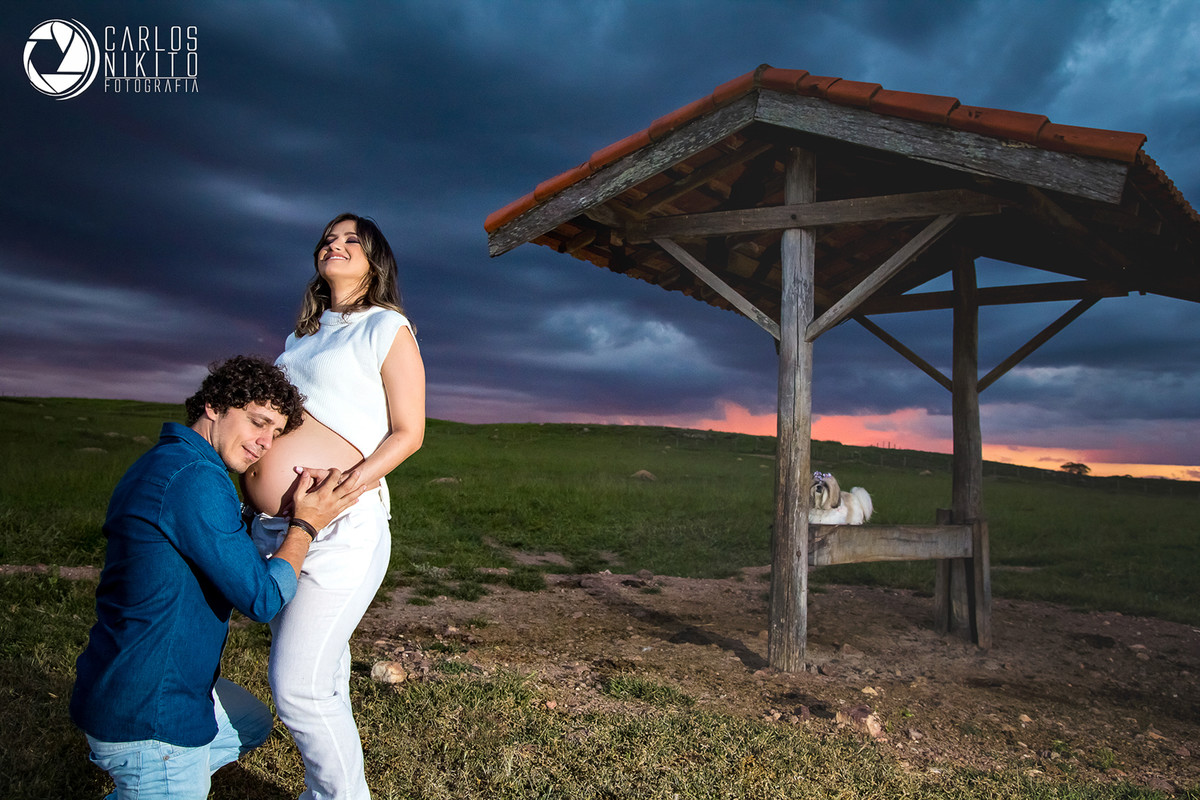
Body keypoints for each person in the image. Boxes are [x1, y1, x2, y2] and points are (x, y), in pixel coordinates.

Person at [70, 354, 368, 800]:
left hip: (117, 684)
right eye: (257, 422)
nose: (266, 442)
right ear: (214, 406)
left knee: (250, 721)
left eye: (275, 432)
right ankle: (155, 775)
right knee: (172, 765)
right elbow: (263, 597)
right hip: (152, 718)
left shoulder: (169, 461)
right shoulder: (193, 479)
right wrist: (306, 525)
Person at [242, 212, 425, 799]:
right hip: (278, 528)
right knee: (323, 677)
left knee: (299, 688)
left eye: (352, 241)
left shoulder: (385, 326)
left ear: (376, 261)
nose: (335, 245)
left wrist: (347, 486)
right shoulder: (303, 336)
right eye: (328, 239)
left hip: (340, 526)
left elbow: (408, 431)